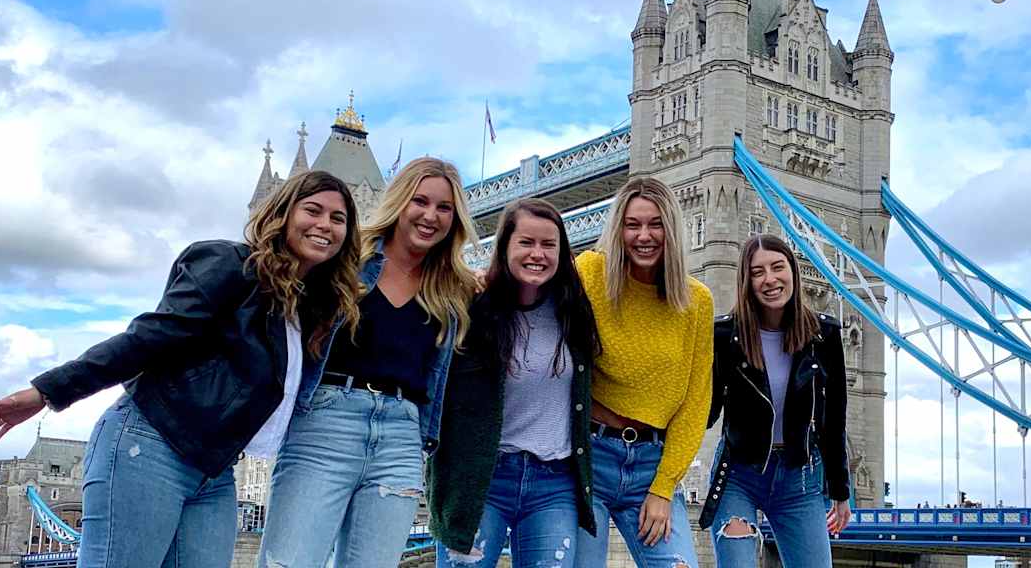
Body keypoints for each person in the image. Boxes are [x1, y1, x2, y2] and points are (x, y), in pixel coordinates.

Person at [0, 170, 361, 568]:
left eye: (338, 218)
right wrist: (49, 390)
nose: (325, 225)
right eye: (313, 210)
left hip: (216, 470)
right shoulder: (229, 264)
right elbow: (150, 337)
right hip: (150, 446)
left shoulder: (308, 310)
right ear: (281, 212)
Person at [259, 157, 478, 568]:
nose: (430, 216)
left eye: (444, 208)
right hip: (326, 424)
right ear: (399, 202)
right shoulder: (344, 259)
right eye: (420, 201)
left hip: (402, 438)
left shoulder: (455, 288)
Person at [429, 198, 602, 567]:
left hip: (554, 482)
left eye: (548, 245)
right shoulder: (469, 307)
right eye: (526, 242)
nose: (537, 254)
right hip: (481, 479)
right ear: (505, 246)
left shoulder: (575, 313)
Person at [572, 177, 714, 568]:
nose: (644, 236)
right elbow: (530, 288)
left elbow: (695, 402)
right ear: (618, 230)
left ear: (672, 229)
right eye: (633, 225)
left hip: (651, 466)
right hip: (589, 458)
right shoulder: (590, 272)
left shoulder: (697, 301)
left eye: (655, 225)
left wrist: (664, 487)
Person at [700, 235, 852, 568]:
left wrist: (841, 492)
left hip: (801, 478)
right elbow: (704, 412)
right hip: (739, 475)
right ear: (746, 281)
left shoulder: (823, 336)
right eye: (757, 272)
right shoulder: (725, 336)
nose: (770, 279)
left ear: (793, 273)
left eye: (777, 267)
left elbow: (834, 419)